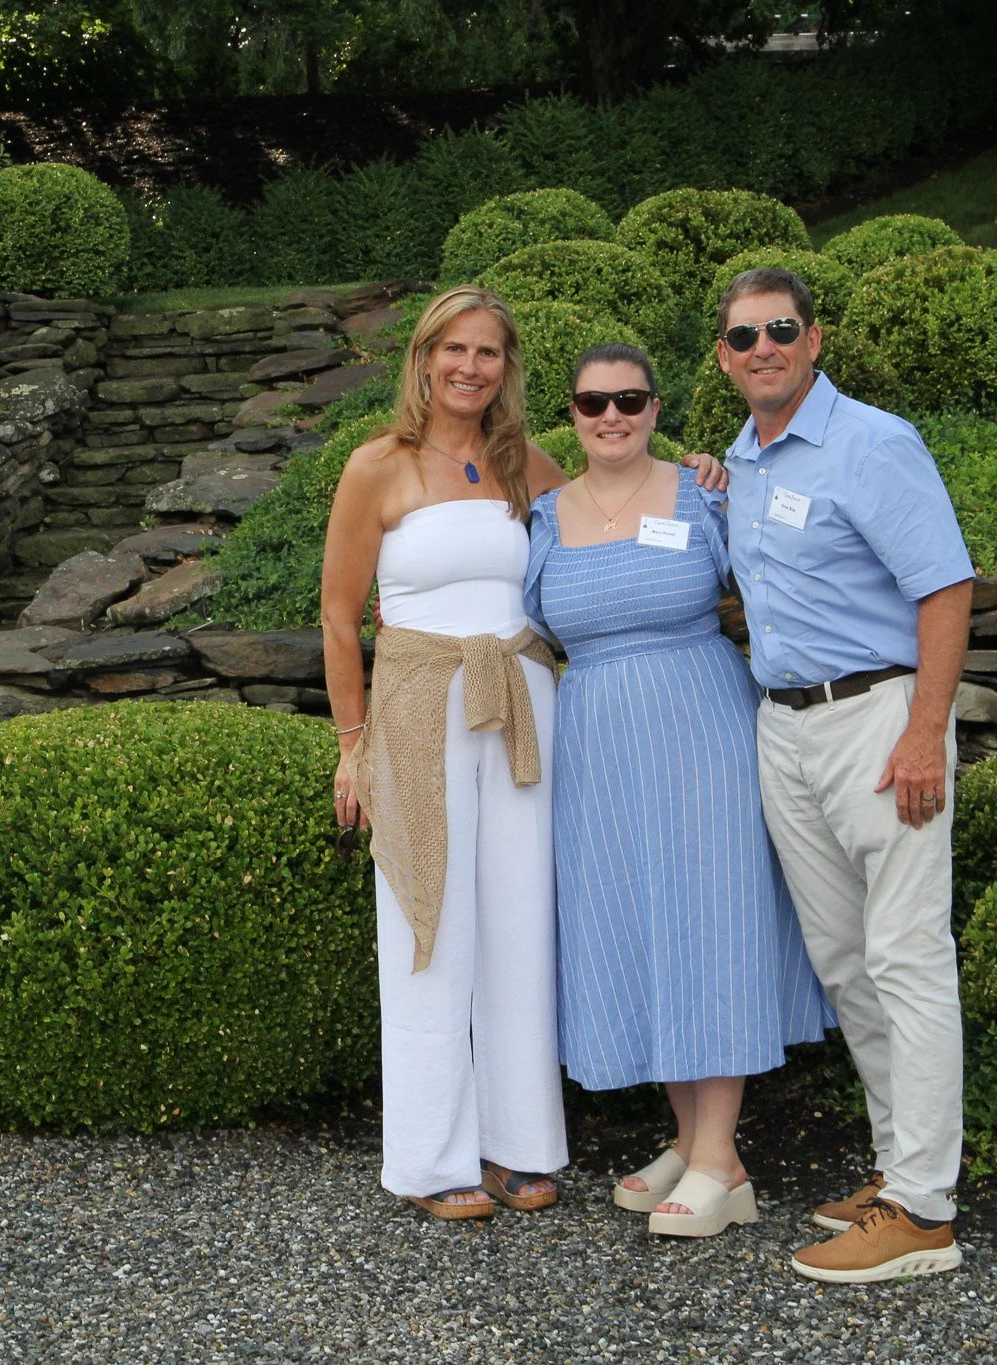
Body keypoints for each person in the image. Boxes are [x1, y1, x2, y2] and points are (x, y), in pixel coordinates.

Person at [320, 287, 726, 1220]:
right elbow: (342, 618)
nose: (470, 366)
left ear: (509, 367)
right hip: (420, 702)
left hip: (524, 703)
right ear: (424, 358)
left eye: (489, 352)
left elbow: (618, 499)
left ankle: (520, 1144)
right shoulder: (377, 466)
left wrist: (701, 474)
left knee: (520, 920)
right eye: (453, 349)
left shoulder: (525, 464)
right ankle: (431, 1156)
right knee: (429, 919)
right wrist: (354, 745)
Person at [523, 343, 836, 1239]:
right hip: (598, 749)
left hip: (702, 733)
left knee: (710, 922)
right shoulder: (544, 516)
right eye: (594, 402)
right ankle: (691, 1137)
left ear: (656, 408)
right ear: (573, 415)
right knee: (640, 924)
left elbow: (783, 586)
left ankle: (719, 1160)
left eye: (630, 399)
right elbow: (524, 632)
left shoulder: (706, 492)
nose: (612, 416)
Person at [710, 267, 975, 1283]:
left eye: (779, 330)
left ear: (813, 339)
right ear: (723, 358)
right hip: (784, 728)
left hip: (876, 721)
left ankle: (924, 1212)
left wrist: (922, 730)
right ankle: (895, 1170)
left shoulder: (872, 442)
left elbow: (945, 587)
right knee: (843, 960)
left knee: (905, 954)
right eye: (741, 338)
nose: (761, 348)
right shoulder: (743, 459)